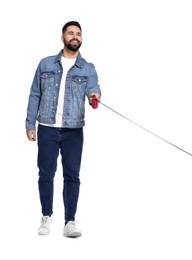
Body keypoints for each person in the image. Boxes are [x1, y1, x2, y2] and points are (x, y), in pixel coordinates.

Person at [25, 21, 101, 238]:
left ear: (82, 39)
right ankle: (46, 216)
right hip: (47, 127)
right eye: (71, 33)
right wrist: (30, 124)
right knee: (46, 174)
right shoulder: (46, 64)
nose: (75, 37)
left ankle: (70, 221)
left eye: (78, 34)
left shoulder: (88, 68)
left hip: (73, 130)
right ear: (63, 38)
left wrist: (94, 97)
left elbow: (94, 88)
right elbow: (34, 94)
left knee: (72, 175)